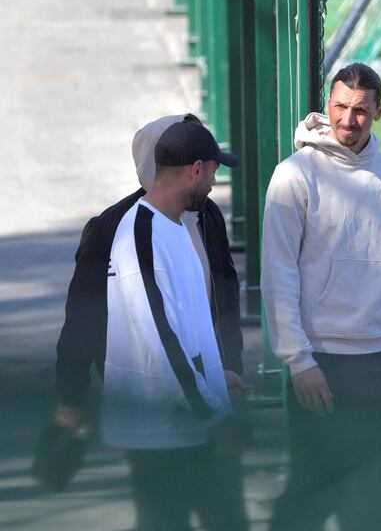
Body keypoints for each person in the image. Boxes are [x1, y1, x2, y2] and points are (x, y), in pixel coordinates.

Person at [53, 115, 251, 530]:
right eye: (212, 170)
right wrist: (71, 397)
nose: (216, 182)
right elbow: (159, 339)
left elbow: (213, 305)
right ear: (193, 168)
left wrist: (221, 374)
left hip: (193, 410)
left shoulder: (191, 218)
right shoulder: (134, 232)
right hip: (168, 425)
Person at [261, 62, 381, 531]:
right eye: (340, 106)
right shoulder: (293, 176)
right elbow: (279, 276)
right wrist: (299, 361)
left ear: (379, 110)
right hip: (323, 366)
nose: (348, 120)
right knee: (310, 498)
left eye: (360, 110)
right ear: (327, 104)